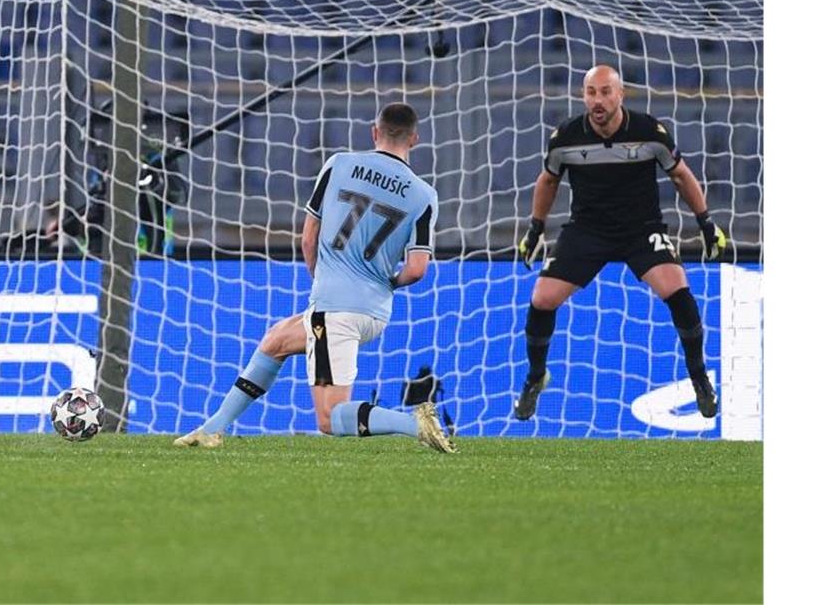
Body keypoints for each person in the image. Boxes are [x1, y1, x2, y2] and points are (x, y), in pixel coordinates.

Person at [174, 103, 457, 452]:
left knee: (329, 419)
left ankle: (411, 423)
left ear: (374, 131)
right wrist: (388, 281)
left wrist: (321, 278)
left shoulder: (339, 164)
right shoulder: (424, 195)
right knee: (275, 341)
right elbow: (417, 269)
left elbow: (308, 238)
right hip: (374, 311)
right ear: (415, 139)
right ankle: (211, 429)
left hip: (335, 308)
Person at [514, 64, 727, 421]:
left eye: (605, 92)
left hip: (640, 228)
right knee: (542, 299)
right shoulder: (566, 137)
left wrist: (706, 223)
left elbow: (680, 176)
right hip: (587, 230)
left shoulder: (650, 132)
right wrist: (535, 229)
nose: (597, 100)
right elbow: (547, 182)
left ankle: (699, 378)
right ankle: (536, 377)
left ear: (620, 94)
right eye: (591, 92)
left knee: (678, 291)